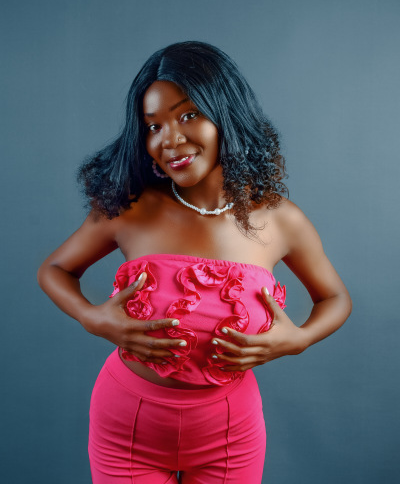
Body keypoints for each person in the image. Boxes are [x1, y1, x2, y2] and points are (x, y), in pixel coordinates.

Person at [37, 41, 352, 484]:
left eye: (188, 115)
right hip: (127, 426)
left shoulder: (280, 219)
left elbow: (335, 298)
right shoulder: (131, 209)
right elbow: (54, 270)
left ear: (226, 114)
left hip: (231, 430)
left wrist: (298, 339)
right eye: (154, 126)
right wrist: (94, 319)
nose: (169, 139)